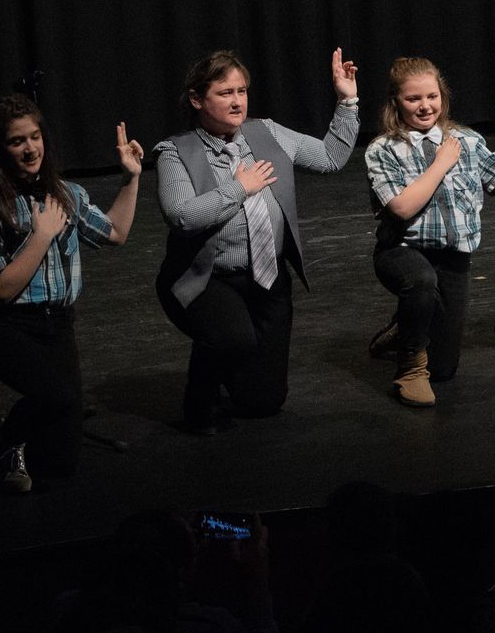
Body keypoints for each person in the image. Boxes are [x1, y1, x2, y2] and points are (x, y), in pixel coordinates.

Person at [153, 49, 360, 434]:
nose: (237, 101)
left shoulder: (267, 133)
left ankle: (232, 358)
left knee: (263, 402)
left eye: (242, 91)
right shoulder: (175, 152)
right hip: (207, 278)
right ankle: (199, 401)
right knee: (232, 337)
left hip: (268, 277)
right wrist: (239, 188)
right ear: (197, 99)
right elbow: (182, 216)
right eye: (225, 93)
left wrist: (347, 102)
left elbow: (331, 158)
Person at [0, 98, 142, 492]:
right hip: (9, 330)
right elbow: (1, 289)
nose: (31, 149)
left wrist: (130, 178)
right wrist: (41, 235)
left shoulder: (66, 194)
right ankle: (7, 441)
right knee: (57, 396)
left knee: (60, 464)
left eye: (35, 137)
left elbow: (116, 233)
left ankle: (33, 437)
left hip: (58, 327)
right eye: (17, 141)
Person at [363, 60, 495, 406]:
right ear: (396, 102)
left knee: (443, 369)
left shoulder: (465, 141)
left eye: (432, 96)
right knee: (421, 281)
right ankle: (410, 366)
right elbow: (402, 208)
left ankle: (405, 326)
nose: (425, 106)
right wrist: (441, 164)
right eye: (413, 99)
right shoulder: (383, 149)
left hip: (453, 258)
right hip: (403, 251)